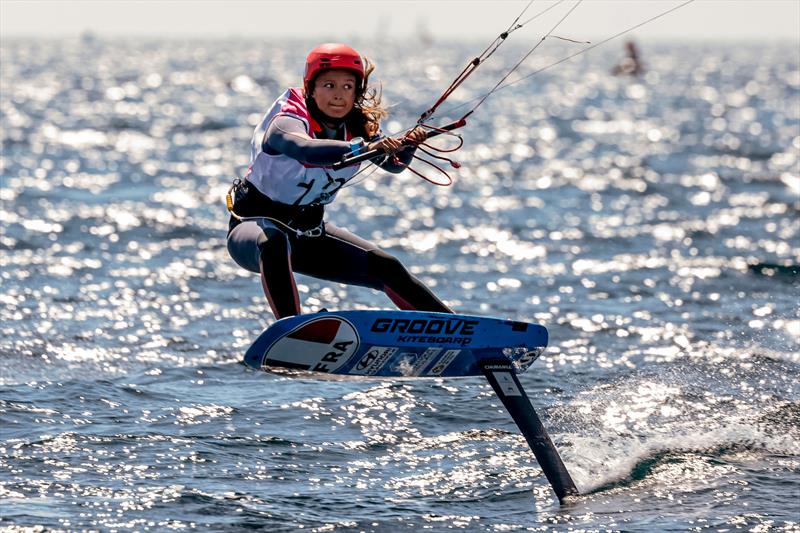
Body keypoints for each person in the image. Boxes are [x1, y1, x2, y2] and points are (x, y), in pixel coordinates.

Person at [226, 43, 453, 320]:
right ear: (311, 88)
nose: (338, 96)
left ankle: (465, 334)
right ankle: (292, 332)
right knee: (274, 243)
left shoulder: (359, 126)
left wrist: (408, 146)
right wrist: (361, 148)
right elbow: (304, 148)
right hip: (253, 229)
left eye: (348, 87)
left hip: (310, 234)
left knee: (386, 267)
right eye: (329, 85)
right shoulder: (286, 119)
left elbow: (393, 166)